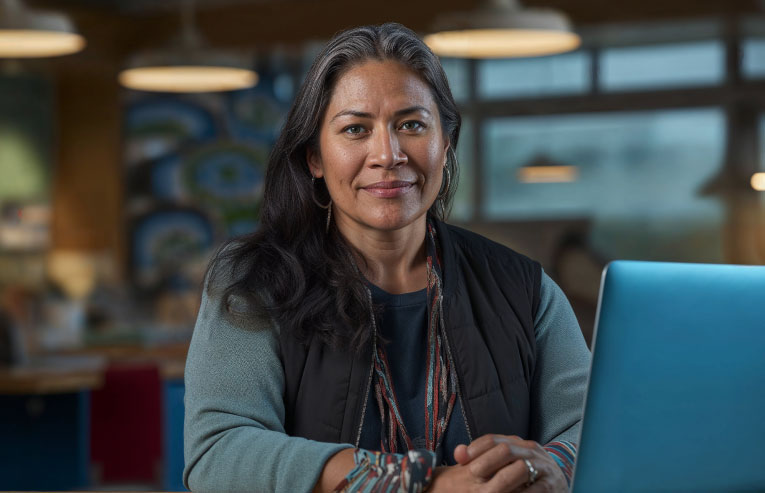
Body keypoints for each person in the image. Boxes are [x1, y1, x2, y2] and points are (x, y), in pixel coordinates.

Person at [183, 23, 590, 492]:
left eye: (411, 125)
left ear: (447, 141)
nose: (387, 154)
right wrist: (424, 484)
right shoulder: (252, 283)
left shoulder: (526, 289)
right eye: (356, 129)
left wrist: (551, 466)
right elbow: (219, 455)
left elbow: (590, 430)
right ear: (315, 157)